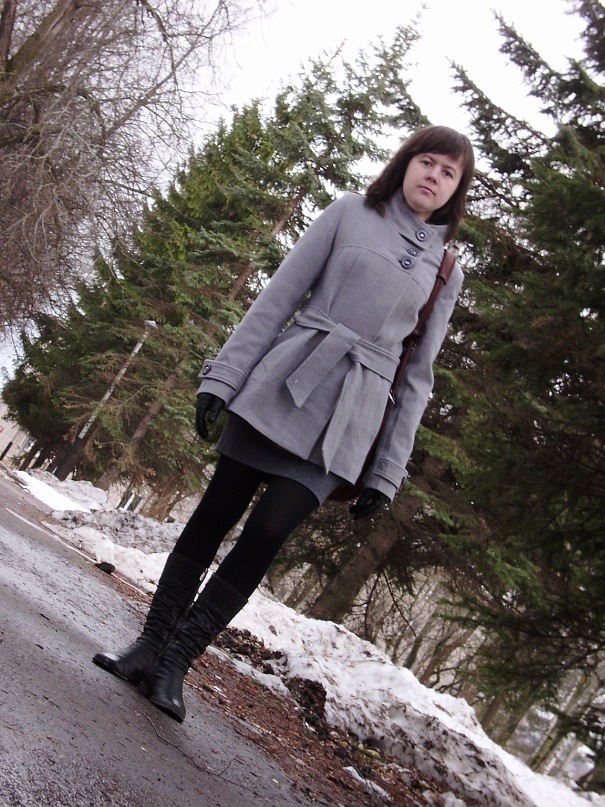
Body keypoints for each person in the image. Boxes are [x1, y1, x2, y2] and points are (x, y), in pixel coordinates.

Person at [93, 125, 475, 723]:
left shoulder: (445, 270)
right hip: (285, 381)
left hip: (347, 419)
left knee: (268, 531)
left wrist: (387, 470)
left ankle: (176, 664)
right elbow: (279, 296)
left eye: (449, 172)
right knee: (216, 511)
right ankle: (148, 647)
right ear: (406, 163)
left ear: (456, 189)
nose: (434, 176)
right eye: (427, 162)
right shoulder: (350, 212)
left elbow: (418, 378)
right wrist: (224, 376)